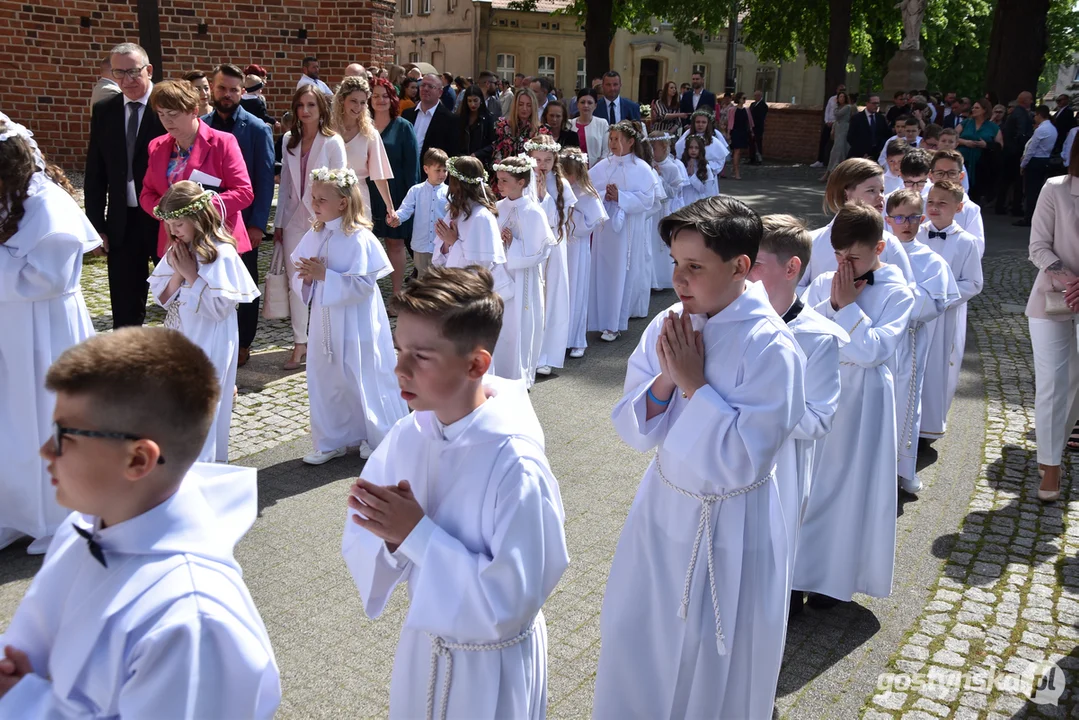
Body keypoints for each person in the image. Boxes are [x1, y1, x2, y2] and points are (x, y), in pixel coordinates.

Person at [593, 196, 805, 719]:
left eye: (694, 267)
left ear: (740, 267)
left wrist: (692, 383)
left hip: (733, 522)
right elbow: (633, 425)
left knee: (712, 651)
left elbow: (744, 458)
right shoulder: (671, 321)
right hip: (664, 508)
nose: (679, 280)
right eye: (674, 264)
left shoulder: (772, 345)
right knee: (640, 630)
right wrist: (667, 376)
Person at [0, 328, 281, 717]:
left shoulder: (192, 624)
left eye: (63, 435)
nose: (46, 451)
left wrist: (21, 700)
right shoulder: (83, 527)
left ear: (137, 460)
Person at [342, 265, 568, 719]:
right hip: (426, 643)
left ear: (476, 364)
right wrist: (390, 541)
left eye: (421, 357)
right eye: (399, 349)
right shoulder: (409, 435)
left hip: (491, 665)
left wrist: (417, 535)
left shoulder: (516, 464)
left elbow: (514, 599)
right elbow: (369, 539)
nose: (399, 368)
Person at [795, 203, 915, 609]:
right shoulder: (823, 284)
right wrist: (833, 305)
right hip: (822, 394)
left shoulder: (898, 292)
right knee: (811, 487)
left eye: (854, 258)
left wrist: (846, 307)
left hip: (865, 402)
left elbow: (874, 351)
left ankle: (835, 577)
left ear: (880, 247)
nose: (844, 266)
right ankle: (795, 579)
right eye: (838, 256)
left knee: (849, 489)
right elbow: (804, 335)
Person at [0, 119, 101, 554]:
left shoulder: (48, 203)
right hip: (13, 327)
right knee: (14, 421)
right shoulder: (10, 197)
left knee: (48, 416)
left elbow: (49, 278)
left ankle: (62, 515)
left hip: (47, 329)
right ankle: (18, 512)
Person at [747, 213, 846, 621]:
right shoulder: (727, 319)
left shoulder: (817, 335)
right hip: (730, 463)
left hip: (782, 468)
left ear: (792, 269)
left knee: (773, 545)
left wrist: (759, 403)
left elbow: (819, 418)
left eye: (754, 264)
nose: (743, 273)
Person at [288, 167, 408, 465]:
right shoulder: (315, 234)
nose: (314, 204)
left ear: (343, 202)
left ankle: (372, 434)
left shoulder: (359, 238)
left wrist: (325, 275)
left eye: (322, 199)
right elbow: (300, 276)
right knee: (325, 375)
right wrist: (307, 277)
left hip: (355, 322)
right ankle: (332, 439)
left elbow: (364, 286)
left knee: (360, 373)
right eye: (313, 197)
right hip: (324, 321)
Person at [147, 181, 259, 463]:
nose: (173, 231)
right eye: (169, 225)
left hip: (210, 337)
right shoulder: (178, 249)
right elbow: (162, 298)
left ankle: (203, 464)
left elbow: (220, 308)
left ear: (198, 218)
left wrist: (192, 275)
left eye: (179, 224)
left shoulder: (221, 253)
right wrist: (178, 273)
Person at [84, 42, 167, 329]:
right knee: (125, 303)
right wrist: (96, 224)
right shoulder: (105, 110)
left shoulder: (167, 106)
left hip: (165, 220)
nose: (127, 81)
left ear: (149, 69)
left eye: (133, 72)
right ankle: (129, 364)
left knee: (179, 295)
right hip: (121, 221)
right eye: (119, 73)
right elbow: (95, 171)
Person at [884, 189, 959, 494]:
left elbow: (935, 303)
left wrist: (900, 297)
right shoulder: (876, 251)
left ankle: (902, 470)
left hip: (910, 340)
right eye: (900, 217)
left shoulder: (931, 260)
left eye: (914, 217)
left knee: (906, 404)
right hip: (877, 339)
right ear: (888, 219)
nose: (907, 223)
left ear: (923, 218)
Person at [206, 63, 275, 368]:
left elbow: (263, 180)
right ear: (212, 88)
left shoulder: (257, 129)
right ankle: (212, 338)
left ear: (242, 92)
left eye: (234, 89)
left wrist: (258, 224)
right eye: (222, 88)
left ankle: (244, 341)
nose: (227, 94)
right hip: (206, 222)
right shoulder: (201, 126)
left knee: (245, 283)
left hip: (243, 224)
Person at [274, 84, 347, 369]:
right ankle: (299, 343)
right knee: (297, 282)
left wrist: (338, 222)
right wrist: (279, 223)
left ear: (321, 109)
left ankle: (325, 341)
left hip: (324, 221)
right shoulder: (288, 141)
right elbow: (287, 186)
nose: (304, 111)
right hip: (293, 220)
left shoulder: (332, 142)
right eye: (300, 106)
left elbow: (343, 184)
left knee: (323, 278)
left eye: (311, 106)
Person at [139, 80, 254, 260]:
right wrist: (168, 215)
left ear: (194, 111)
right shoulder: (157, 146)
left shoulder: (223, 142)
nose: (166, 121)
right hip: (176, 243)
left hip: (216, 241)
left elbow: (243, 193)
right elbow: (147, 194)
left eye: (173, 114)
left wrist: (194, 213)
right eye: (161, 114)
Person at [1026, 141, 1079, 501]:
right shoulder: (1056, 188)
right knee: (1052, 382)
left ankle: (1056, 442)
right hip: (1054, 298)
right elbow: (1038, 247)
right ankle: (1051, 464)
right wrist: (1072, 281)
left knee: (1075, 384)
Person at [916, 181, 984, 444]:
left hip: (945, 316)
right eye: (931, 202)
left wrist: (941, 296)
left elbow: (974, 283)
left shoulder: (967, 242)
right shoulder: (916, 234)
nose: (934, 208)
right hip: (915, 313)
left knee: (939, 367)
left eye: (942, 203)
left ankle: (929, 427)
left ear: (959, 207)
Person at [588, 120, 658, 342]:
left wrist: (622, 197)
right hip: (605, 229)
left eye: (618, 139)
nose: (613, 143)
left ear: (630, 142)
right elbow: (588, 189)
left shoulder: (641, 168)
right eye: (611, 139)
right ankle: (599, 319)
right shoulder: (602, 166)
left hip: (627, 230)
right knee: (602, 270)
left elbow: (648, 199)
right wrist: (604, 194)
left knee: (621, 273)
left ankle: (615, 323)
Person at [798, 158, 915, 291]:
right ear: (846, 193)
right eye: (871, 190)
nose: (881, 197)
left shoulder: (889, 242)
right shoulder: (812, 241)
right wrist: (830, 300)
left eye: (882, 190)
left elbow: (908, 289)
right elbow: (794, 290)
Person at [489, 155, 550, 385]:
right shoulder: (497, 208)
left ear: (522, 182)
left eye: (505, 180)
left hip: (523, 278)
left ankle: (519, 376)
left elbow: (540, 252)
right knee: (501, 325)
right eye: (498, 179)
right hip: (500, 276)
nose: (499, 185)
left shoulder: (533, 212)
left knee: (519, 325)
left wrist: (512, 243)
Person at [367, 78, 420, 303]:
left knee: (394, 242)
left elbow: (412, 167)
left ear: (393, 99)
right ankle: (366, 294)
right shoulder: (363, 126)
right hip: (366, 192)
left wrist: (409, 203)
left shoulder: (403, 127)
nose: (380, 100)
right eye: (376, 95)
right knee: (365, 243)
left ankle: (397, 294)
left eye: (385, 95)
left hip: (395, 192)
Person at [432, 157, 513, 296]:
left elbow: (482, 266)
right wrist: (445, 243)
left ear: (458, 182)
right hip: (453, 286)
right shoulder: (456, 210)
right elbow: (440, 258)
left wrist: (454, 242)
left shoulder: (481, 216)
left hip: (472, 291)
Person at [559, 147, 607, 358]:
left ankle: (577, 339)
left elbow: (592, 222)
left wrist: (571, 214)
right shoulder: (556, 189)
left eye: (568, 173)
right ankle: (558, 338)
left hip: (576, 248)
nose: (565, 178)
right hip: (558, 245)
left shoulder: (586, 193)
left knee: (576, 290)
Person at [333, 76, 396, 225]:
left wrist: (390, 207)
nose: (358, 107)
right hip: (330, 196)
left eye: (362, 102)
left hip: (359, 197)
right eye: (353, 101)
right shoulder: (328, 130)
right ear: (342, 100)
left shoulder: (369, 133)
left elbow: (379, 174)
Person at [388, 148, 450, 276]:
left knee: (441, 280)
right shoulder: (416, 190)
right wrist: (396, 218)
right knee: (422, 278)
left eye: (445, 170)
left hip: (442, 246)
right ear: (426, 169)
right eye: (438, 170)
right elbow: (406, 209)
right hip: (421, 244)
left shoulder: (450, 192)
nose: (442, 174)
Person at [649, 131, 687, 289]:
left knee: (661, 243)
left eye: (654, 148)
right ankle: (651, 278)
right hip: (651, 210)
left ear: (664, 148)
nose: (651, 151)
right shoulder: (648, 165)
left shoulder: (672, 168)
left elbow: (673, 192)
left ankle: (662, 277)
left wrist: (660, 178)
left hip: (664, 209)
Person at [403, 74, 462, 161]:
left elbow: (453, 153)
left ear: (440, 92)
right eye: (423, 85)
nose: (425, 89)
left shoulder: (450, 120)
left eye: (431, 86)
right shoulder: (407, 115)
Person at [1018, 105, 1059, 227]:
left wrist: (1023, 164)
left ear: (1040, 115)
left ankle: (1029, 217)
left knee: (1031, 191)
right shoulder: (1053, 129)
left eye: (1036, 115)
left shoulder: (1041, 130)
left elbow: (1031, 149)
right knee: (1037, 190)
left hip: (1035, 161)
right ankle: (1034, 216)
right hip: (1045, 159)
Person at [957, 97, 1003, 196]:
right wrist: (965, 142)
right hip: (964, 159)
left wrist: (986, 145)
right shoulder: (966, 123)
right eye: (973, 107)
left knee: (977, 192)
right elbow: (952, 137)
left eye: (977, 108)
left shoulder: (993, 127)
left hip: (982, 163)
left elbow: (1000, 146)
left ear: (984, 110)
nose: (973, 110)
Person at [675, 110, 730, 182]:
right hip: (688, 173)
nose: (700, 125)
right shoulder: (687, 136)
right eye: (697, 122)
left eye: (703, 122)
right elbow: (679, 154)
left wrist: (704, 164)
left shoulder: (714, 141)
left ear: (708, 124)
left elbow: (720, 161)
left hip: (706, 175)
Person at [492, 88, 541, 165]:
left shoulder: (541, 131)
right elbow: (495, 154)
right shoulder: (502, 127)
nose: (524, 109)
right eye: (520, 104)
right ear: (515, 105)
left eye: (529, 105)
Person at [457, 84, 497, 167]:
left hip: (480, 163)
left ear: (481, 100)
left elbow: (493, 144)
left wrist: (477, 154)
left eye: (475, 100)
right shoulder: (460, 118)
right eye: (469, 101)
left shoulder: (488, 118)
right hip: (462, 162)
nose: (473, 104)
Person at [571, 89, 610, 167]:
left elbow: (607, 151)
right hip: (572, 171)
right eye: (582, 102)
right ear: (577, 104)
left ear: (595, 105)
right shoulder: (569, 124)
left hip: (597, 171)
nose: (586, 105)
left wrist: (593, 170)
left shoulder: (602, 123)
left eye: (589, 103)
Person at [813, 83, 846, 168]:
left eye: (843, 90)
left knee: (837, 144)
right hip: (829, 123)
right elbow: (827, 110)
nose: (841, 92)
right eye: (840, 90)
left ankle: (835, 162)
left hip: (837, 125)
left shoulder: (845, 102)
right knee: (823, 141)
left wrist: (834, 122)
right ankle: (820, 160)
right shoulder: (832, 99)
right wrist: (827, 121)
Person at [846, 94, 888, 160]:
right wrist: (861, 152)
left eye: (878, 103)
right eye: (874, 103)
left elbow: (885, 135)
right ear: (867, 103)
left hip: (877, 154)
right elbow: (851, 138)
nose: (876, 106)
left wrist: (881, 149)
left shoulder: (880, 118)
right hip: (860, 154)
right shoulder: (857, 118)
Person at [681, 134, 718, 204]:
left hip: (698, 204)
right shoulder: (682, 165)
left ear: (701, 149)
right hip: (683, 203)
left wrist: (692, 176)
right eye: (691, 147)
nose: (693, 150)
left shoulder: (705, 167)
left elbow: (707, 191)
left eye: (696, 148)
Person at [727, 92, 753, 180]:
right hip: (735, 131)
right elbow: (730, 122)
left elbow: (749, 122)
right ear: (739, 99)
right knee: (737, 151)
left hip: (743, 132)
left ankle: (734, 169)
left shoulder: (747, 110)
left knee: (739, 151)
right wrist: (728, 133)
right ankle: (737, 172)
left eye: (745, 98)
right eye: (743, 98)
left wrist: (751, 131)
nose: (744, 100)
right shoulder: (732, 109)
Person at [749, 90, 768, 164]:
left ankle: (759, 158)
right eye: (754, 96)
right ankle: (752, 158)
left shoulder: (763, 105)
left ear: (760, 96)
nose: (755, 97)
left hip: (758, 127)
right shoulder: (753, 104)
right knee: (751, 143)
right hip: (751, 126)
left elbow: (761, 117)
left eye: (756, 96)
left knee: (758, 142)